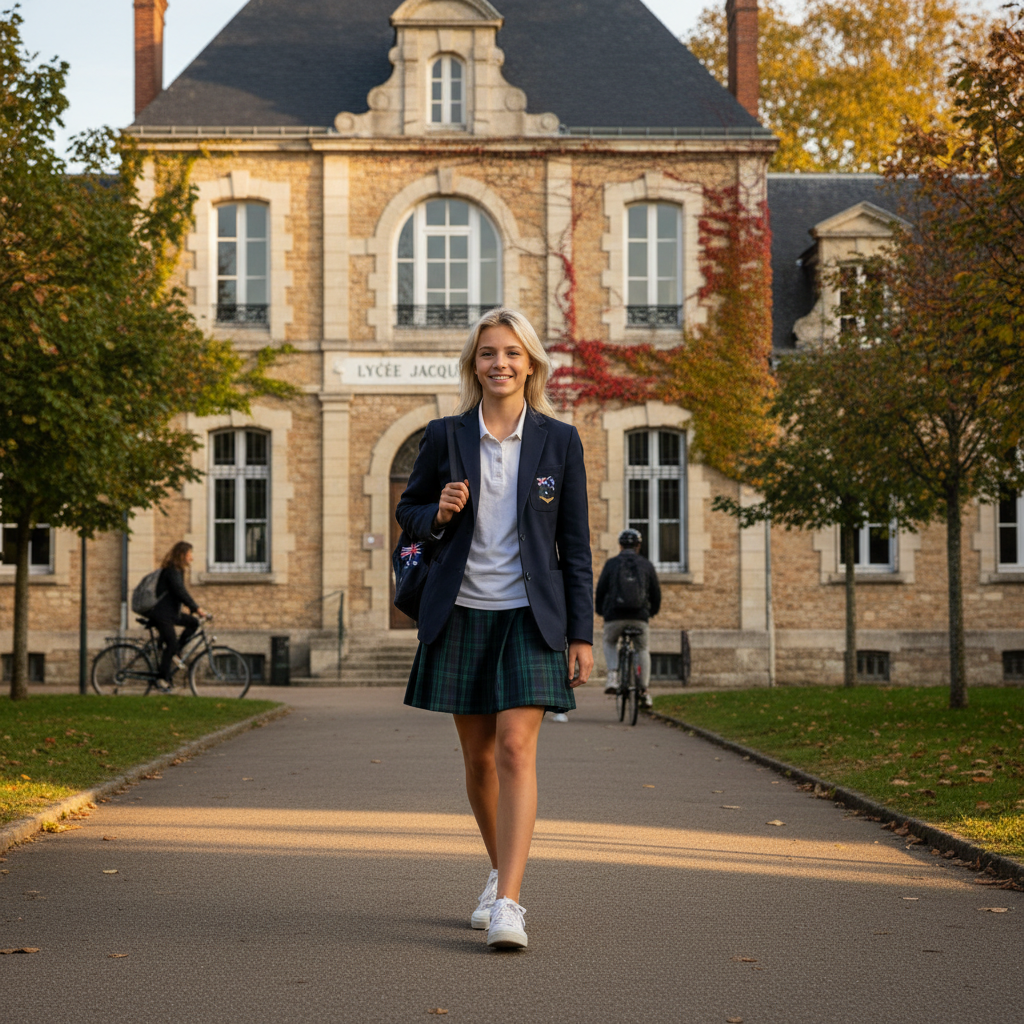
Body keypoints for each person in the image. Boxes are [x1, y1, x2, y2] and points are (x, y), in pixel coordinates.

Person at [397, 307, 594, 951]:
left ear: (530, 363)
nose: (500, 363)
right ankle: (496, 870)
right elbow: (410, 511)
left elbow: (575, 544)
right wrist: (439, 512)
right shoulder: (445, 435)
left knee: (514, 748)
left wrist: (582, 634)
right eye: (488, 353)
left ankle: (509, 901)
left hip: (530, 619)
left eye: (512, 352)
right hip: (459, 613)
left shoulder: (559, 442)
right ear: (473, 365)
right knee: (478, 757)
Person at [595, 528, 661, 708]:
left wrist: (601, 611)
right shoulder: (646, 565)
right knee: (642, 649)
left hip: (614, 616)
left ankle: (613, 676)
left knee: (609, 641)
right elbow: (655, 593)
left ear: (620, 545)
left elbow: (601, 590)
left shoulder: (612, 564)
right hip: (639, 616)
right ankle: (644, 690)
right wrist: (651, 612)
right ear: (639, 545)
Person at [149, 541, 205, 690]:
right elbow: (180, 591)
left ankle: (176, 651)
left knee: (193, 623)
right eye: (189, 554)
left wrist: (193, 609)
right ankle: (162, 679)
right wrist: (196, 608)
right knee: (171, 644)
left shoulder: (177, 571)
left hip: (171, 613)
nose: (191, 558)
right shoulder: (172, 571)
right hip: (162, 614)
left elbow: (179, 593)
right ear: (182, 555)